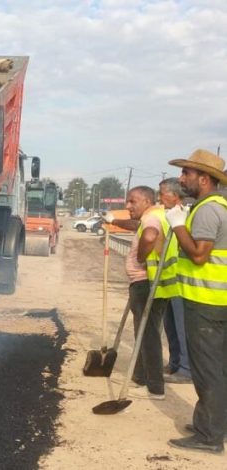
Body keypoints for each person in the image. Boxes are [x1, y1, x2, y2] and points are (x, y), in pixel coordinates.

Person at [165, 149, 227, 455]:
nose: (182, 178)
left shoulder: (207, 210)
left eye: (187, 174)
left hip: (206, 301)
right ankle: (213, 423)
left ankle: (209, 436)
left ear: (204, 178)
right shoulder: (218, 205)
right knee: (217, 367)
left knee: (207, 370)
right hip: (216, 301)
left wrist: (177, 225)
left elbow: (200, 256)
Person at [105, 186, 169, 400]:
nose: (128, 206)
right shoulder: (158, 214)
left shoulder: (152, 218)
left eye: (133, 201)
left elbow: (149, 237)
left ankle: (155, 387)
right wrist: (114, 221)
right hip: (146, 283)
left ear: (147, 201)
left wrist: (140, 257)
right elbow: (138, 227)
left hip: (147, 283)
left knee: (147, 334)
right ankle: (141, 376)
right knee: (143, 332)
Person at [157, 178, 192, 384]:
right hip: (169, 280)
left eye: (162, 194)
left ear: (175, 196)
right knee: (170, 326)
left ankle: (186, 369)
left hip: (182, 282)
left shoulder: (185, 215)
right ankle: (175, 362)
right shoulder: (167, 215)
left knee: (182, 326)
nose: (160, 198)